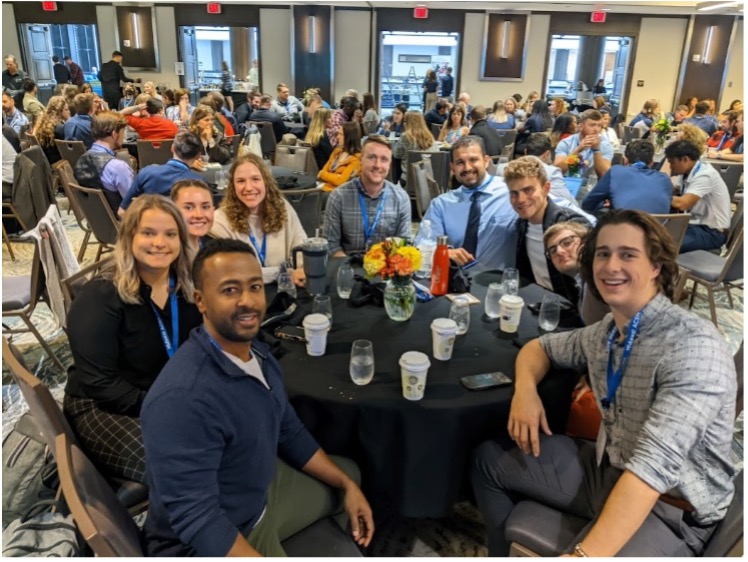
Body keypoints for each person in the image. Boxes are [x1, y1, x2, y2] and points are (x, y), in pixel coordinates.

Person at [472, 209, 737, 557]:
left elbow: (652, 468)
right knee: (488, 459)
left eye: (628, 254)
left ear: (656, 266)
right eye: (603, 254)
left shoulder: (693, 345)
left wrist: (582, 555)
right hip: (609, 471)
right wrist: (525, 392)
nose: (611, 266)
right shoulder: (608, 332)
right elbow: (539, 348)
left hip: (672, 506)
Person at [140, 238, 374, 556]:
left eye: (254, 287)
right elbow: (199, 519)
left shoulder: (259, 355)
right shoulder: (182, 400)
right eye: (230, 290)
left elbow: (289, 430)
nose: (248, 301)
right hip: (215, 538)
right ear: (201, 301)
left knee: (350, 474)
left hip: (259, 495)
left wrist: (346, 485)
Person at [64, 195, 202, 483]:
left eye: (170, 234)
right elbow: (100, 384)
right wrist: (166, 408)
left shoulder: (186, 285)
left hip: (164, 392)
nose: (160, 243)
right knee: (182, 468)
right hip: (103, 406)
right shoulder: (101, 296)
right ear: (129, 237)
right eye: (148, 233)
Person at [414, 136, 517, 269]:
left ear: (486, 161)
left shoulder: (511, 193)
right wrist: (445, 252)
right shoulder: (441, 205)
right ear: (452, 167)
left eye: (473, 160)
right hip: (456, 282)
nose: (467, 167)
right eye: (460, 162)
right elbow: (422, 245)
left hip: (498, 282)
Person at [209, 153, 307, 285]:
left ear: (266, 182)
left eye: (255, 179)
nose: (248, 188)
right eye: (241, 181)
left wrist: (302, 269)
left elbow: (301, 245)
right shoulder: (219, 222)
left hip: (285, 291)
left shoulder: (282, 207)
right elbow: (234, 272)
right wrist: (283, 273)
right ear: (232, 187)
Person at [506, 156, 591, 302]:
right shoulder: (521, 225)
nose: (521, 199)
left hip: (573, 309)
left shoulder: (571, 225)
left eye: (528, 190)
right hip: (539, 302)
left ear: (546, 189)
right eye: (514, 193)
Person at [324, 136, 411, 257]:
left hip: (386, 269)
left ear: (390, 165)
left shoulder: (401, 199)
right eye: (372, 157)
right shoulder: (339, 197)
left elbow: (404, 244)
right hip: (347, 267)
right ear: (360, 160)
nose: (377, 165)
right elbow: (331, 245)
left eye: (384, 159)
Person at [666, 139, 731, 253]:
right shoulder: (688, 171)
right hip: (695, 225)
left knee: (663, 244)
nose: (671, 167)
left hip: (712, 233)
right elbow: (674, 190)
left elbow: (683, 204)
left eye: (672, 162)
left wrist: (656, 196)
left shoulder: (705, 175)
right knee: (655, 233)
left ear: (685, 159)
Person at [119, 131, 203, 213]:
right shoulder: (199, 184)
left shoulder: (146, 173)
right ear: (198, 155)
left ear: (172, 148)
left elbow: (122, 212)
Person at [582, 139, 672, 215]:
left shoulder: (615, 171)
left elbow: (588, 204)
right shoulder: (665, 179)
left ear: (625, 160)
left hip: (623, 232)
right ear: (652, 163)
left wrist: (605, 203)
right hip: (657, 233)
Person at [74, 110, 134, 213]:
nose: (123, 137)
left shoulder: (80, 160)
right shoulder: (118, 167)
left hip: (98, 221)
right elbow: (133, 204)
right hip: (123, 224)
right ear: (115, 134)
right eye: (123, 132)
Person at [554, 109, 613, 179]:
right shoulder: (566, 143)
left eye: (599, 126)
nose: (596, 129)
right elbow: (558, 170)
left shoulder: (605, 145)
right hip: (568, 184)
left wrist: (597, 151)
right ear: (581, 126)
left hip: (592, 186)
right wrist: (577, 151)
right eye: (592, 125)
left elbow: (604, 175)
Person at [170, 179, 215, 253]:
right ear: (172, 211)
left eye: (205, 207)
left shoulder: (214, 248)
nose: (199, 215)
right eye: (188, 208)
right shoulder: (164, 254)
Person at [392, 110, 435, 183]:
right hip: (428, 179)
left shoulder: (405, 137)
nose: (404, 124)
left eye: (405, 121)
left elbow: (396, 155)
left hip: (408, 179)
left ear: (408, 123)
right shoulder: (430, 137)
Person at [318, 121, 362, 192]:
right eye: (338, 134)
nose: (337, 137)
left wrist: (324, 175)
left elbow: (341, 181)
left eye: (341, 134)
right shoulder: (337, 151)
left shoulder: (357, 159)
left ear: (350, 138)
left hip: (338, 193)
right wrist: (333, 177)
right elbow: (323, 171)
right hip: (323, 187)